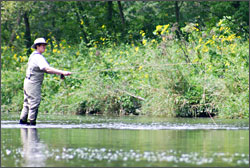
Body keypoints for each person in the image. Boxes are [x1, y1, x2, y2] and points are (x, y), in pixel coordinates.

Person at [19, 38, 71, 125]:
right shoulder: (38, 57)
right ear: (37, 46)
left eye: (44, 45)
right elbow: (46, 68)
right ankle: (32, 125)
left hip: (27, 82)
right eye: (42, 45)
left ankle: (22, 124)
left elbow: (46, 70)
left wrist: (60, 73)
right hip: (33, 84)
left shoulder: (33, 55)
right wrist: (62, 72)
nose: (44, 47)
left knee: (27, 104)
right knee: (34, 103)